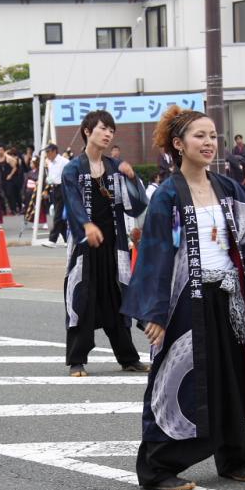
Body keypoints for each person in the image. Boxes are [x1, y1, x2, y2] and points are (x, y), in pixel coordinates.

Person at [122, 105, 245, 490]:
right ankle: (157, 466)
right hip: (183, 300)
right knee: (177, 377)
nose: (209, 143)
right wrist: (153, 313)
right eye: (199, 136)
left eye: (212, 136)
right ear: (179, 144)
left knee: (230, 374)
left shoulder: (227, 188)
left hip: (227, 297)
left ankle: (233, 456)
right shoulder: (168, 195)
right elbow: (154, 255)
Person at [61, 110, 150, 377]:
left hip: (114, 246)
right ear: (88, 131)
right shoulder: (73, 169)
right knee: (82, 298)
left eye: (112, 130)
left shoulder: (115, 168)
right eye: (103, 128)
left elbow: (137, 206)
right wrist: (86, 225)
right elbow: (72, 201)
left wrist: (133, 178)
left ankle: (128, 358)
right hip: (85, 248)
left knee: (117, 298)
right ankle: (76, 360)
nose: (109, 134)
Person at [42, 144, 70, 247]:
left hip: (63, 188)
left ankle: (52, 239)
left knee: (58, 215)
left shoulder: (64, 161)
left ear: (54, 151)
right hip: (54, 189)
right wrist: (48, 182)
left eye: (48, 152)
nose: (47, 154)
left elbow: (70, 174)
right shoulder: (50, 163)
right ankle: (67, 240)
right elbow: (51, 177)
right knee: (59, 215)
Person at [23, 155, 49, 227]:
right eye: (30, 163)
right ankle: (34, 222)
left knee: (40, 208)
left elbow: (44, 181)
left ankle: (44, 222)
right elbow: (25, 182)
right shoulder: (29, 172)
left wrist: (39, 184)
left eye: (32, 163)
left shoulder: (41, 172)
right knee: (31, 207)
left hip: (37, 191)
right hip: (30, 191)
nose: (31, 164)